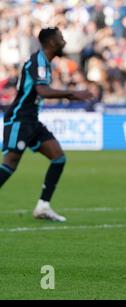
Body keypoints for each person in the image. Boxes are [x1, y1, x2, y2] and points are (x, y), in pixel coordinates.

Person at [0, 27, 93, 222]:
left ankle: (43, 206)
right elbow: (42, 91)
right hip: (19, 118)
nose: (64, 42)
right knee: (10, 164)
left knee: (58, 157)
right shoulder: (37, 61)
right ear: (51, 42)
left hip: (32, 120)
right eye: (60, 38)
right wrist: (72, 93)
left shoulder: (45, 63)